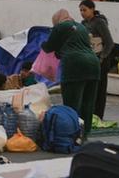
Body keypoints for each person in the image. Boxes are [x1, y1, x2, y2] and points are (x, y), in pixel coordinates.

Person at [41, 10, 102, 145]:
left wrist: (41, 45)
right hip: (93, 64)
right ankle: (85, 134)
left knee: (72, 103)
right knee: (88, 102)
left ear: (57, 20)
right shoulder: (82, 27)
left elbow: (49, 47)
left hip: (75, 65)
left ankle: (72, 134)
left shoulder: (60, 27)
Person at [78, 0, 119, 130]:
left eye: (84, 10)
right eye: (80, 10)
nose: (82, 13)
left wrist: (102, 57)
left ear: (92, 9)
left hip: (101, 60)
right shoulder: (83, 24)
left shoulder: (99, 23)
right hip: (88, 59)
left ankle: (98, 116)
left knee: (100, 89)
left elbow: (109, 42)